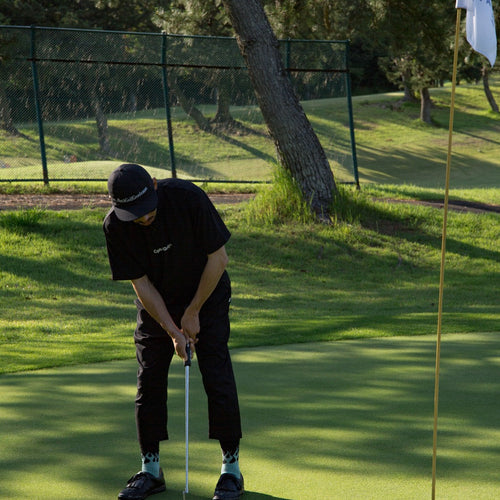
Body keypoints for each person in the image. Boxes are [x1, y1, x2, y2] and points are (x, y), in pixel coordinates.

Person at [103, 163, 243, 500]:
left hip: (206, 295)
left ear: (154, 185)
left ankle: (231, 470)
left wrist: (193, 312)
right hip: (157, 304)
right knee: (149, 378)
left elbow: (219, 258)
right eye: (133, 214)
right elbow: (141, 284)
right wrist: (171, 329)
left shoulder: (188, 198)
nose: (143, 219)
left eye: (146, 210)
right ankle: (150, 469)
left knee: (216, 372)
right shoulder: (115, 227)